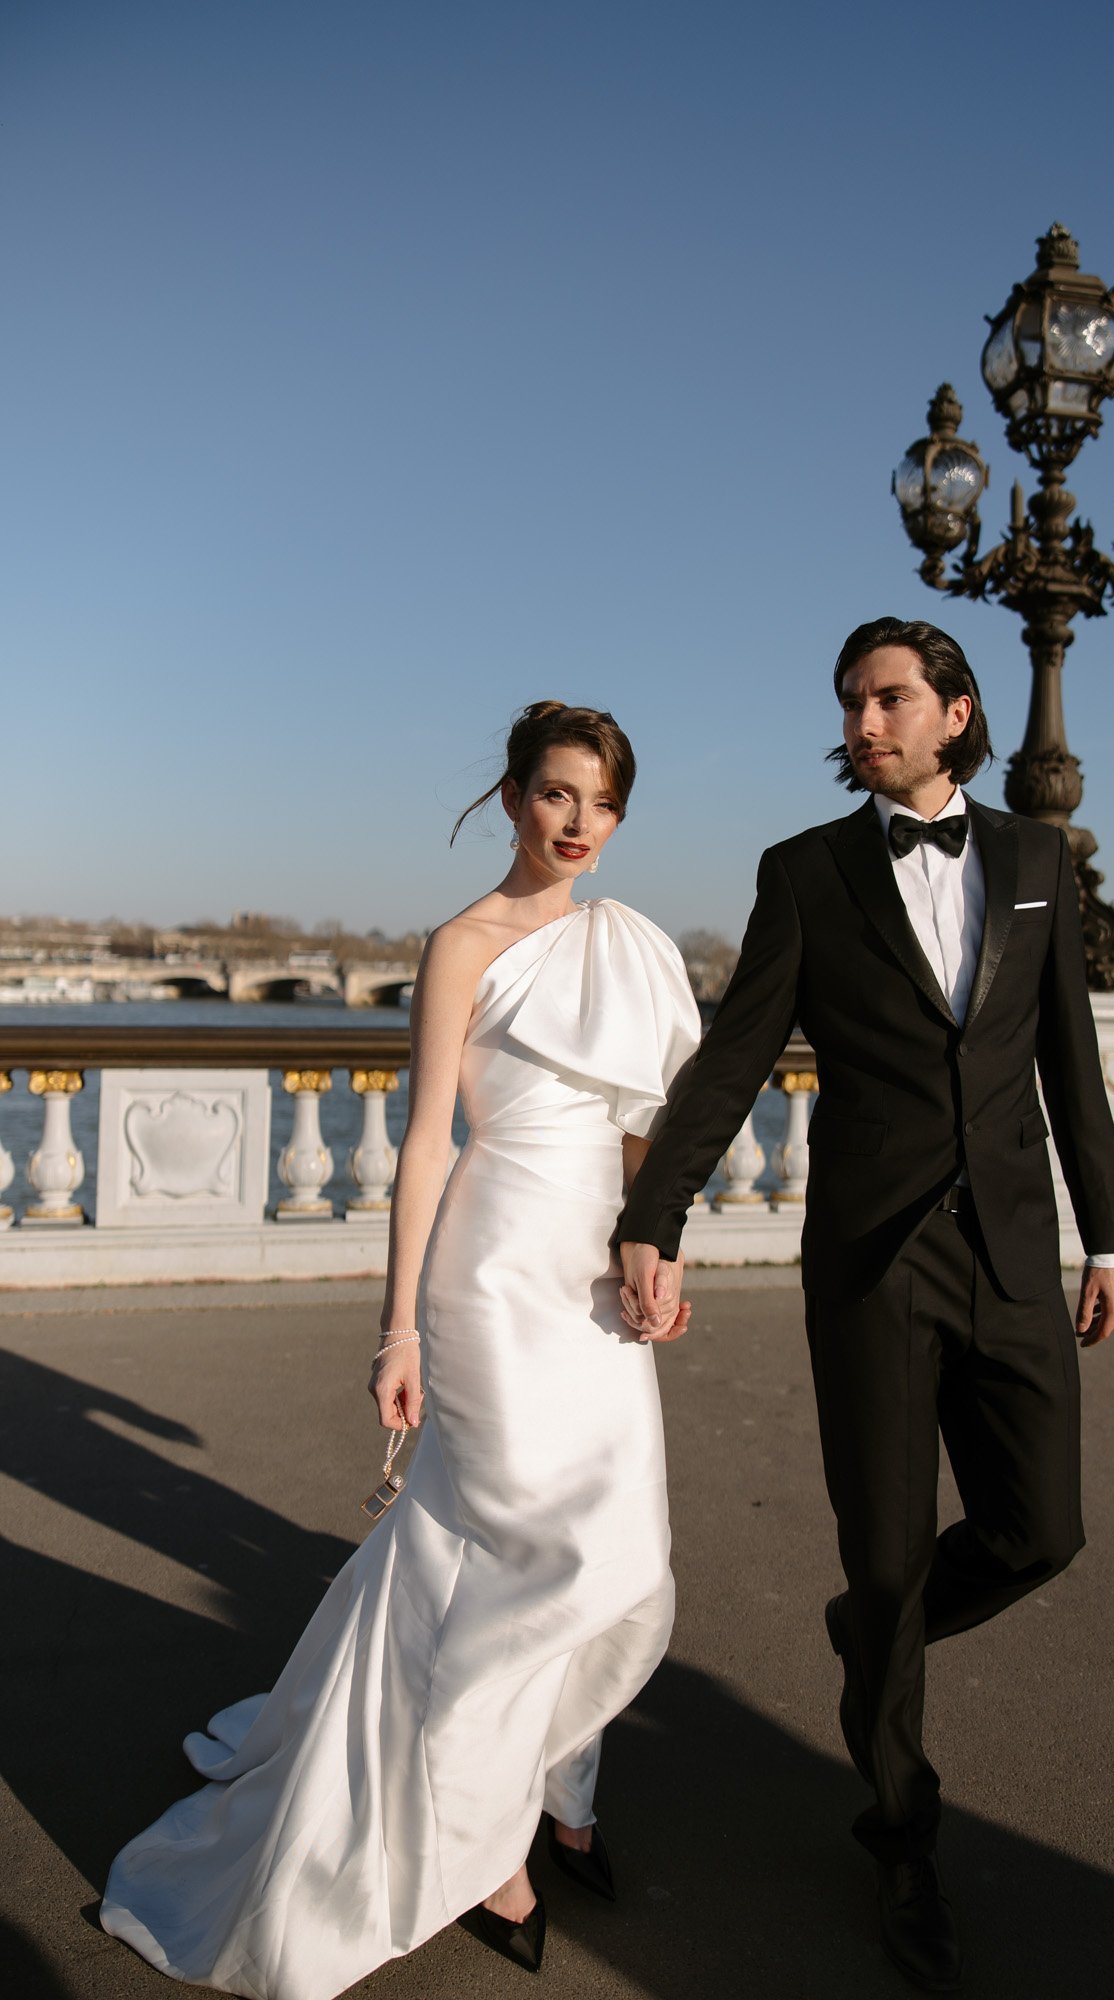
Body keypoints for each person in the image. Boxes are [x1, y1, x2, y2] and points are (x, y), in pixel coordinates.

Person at [101, 701, 701, 1999]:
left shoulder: (637, 947)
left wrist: (661, 1253)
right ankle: (493, 1849)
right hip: (488, 1278)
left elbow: (653, 1131)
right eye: (554, 794)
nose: (577, 823)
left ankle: (557, 1779)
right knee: (527, 1554)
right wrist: (398, 1324)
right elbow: (428, 1142)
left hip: (596, 1281)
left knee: (618, 1551)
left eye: (600, 803)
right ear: (509, 800)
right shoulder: (462, 946)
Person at [617, 618, 1114, 1993]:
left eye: (888, 699)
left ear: (955, 715)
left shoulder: (1030, 859)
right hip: (872, 1264)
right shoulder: (806, 872)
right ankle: (901, 1841)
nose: (863, 722)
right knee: (893, 1559)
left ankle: (870, 1637)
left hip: (1015, 1251)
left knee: (1041, 1531)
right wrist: (649, 1214)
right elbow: (731, 1062)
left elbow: (1069, 1060)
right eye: (850, 703)